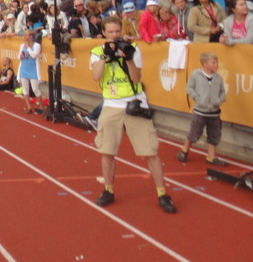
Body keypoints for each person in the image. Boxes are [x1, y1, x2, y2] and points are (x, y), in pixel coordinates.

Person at [90, 15, 176, 214]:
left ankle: (162, 193)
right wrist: (105, 56)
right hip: (111, 105)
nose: (114, 35)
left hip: (134, 103)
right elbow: (96, 77)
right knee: (107, 151)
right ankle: (108, 190)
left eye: (117, 32)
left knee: (150, 151)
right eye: (110, 32)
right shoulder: (96, 52)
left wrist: (126, 57)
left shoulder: (133, 49)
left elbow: (137, 77)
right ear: (104, 33)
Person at [177, 52, 228, 166]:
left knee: (214, 134)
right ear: (205, 64)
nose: (216, 65)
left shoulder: (218, 78)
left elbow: (222, 92)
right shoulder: (196, 75)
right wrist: (198, 98)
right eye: (213, 62)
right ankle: (185, 149)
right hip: (200, 111)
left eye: (216, 62)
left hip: (214, 113)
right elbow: (189, 88)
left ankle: (211, 156)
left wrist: (219, 100)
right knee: (195, 132)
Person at [18, 30, 42, 114]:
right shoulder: (22, 46)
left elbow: (34, 55)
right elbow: (19, 57)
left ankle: (41, 106)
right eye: (24, 35)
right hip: (24, 69)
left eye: (26, 35)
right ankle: (28, 106)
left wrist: (28, 48)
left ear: (31, 36)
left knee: (35, 89)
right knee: (25, 88)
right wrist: (21, 56)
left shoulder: (37, 45)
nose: (24, 37)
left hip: (33, 69)